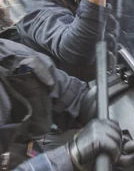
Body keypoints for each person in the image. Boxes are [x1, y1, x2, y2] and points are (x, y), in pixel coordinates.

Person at [0, 38, 123, 170]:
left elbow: (74, 95)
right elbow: (71, 48)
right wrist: (70, 156)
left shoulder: (8, 53)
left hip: (35, 154)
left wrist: (117, 130)